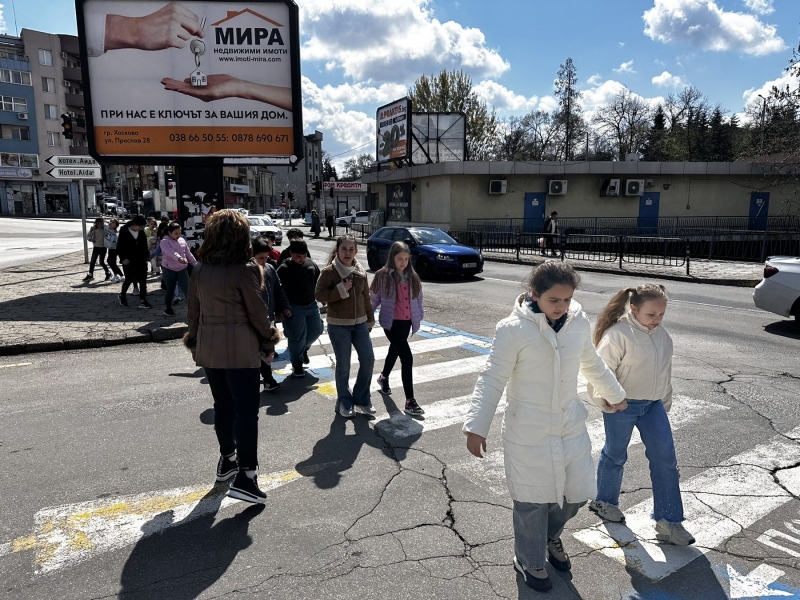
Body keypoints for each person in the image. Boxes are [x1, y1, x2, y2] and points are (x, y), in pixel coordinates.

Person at [462, 261, 627, 593]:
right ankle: (528, 559)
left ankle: (550, 536)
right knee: (532, 500)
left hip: (569, 426)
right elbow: (492, 377)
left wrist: (615, 394)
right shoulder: (512, 329)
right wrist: (476, 426)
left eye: (567, 299)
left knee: (577, 493)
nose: (561, 306)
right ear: (534, 294)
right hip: (528, 431)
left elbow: (592, 362)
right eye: (554, 300)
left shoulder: (577, 323)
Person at [588, 284, 695, 546]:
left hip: (652, 405)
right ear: (634, 308)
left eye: (661, 314)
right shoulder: (618, 334)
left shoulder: (662, 335)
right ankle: (605, 501)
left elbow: (665, 371)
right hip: (622, 404)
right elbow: (600, 371)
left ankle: (669, 521)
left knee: (665, 459)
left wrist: (664, 401)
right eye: (651, 314)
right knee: (615, 454)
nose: (657, 319)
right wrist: (609, 398)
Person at [185, 209, 279, 505]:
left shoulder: (200, 269)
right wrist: (268, 340)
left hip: (210, 347)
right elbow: (257, 313)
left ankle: (228, 459)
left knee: (223, 407)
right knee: (246, 412)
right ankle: (247, 477)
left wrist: (195, 341)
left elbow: (193, 312)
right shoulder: (246, 269)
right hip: (240, 348)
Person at [314, 234, 375, 418]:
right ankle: (345, 402)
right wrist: (341, 289)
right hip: (339, 325)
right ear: (337, 250)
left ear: (356, 251)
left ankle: (362, 398)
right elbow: (319, 295)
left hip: (360, 323)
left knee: (368, 360)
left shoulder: (360, 271)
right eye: (343, 249)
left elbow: (366, 298)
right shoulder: (329, 272)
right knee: (344, 366)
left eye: (351, 249)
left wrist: (370, 320)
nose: (347, 253)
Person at [370, 241, 425, 416]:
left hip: (406, 322)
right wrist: (368, 318)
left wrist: (419, 315)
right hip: (391, 323)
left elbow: (419, 298)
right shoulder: (383, 275)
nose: (403, 262)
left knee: (394, 350)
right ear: (392, 257)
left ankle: (383, 377)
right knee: (407, 357)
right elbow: (374, 298)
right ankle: (410, 401)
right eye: (400, 258)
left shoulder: (412, 276)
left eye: (406, 259)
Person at [276, 239, 324, 378]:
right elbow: (277, 291)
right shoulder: (284, 269)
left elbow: (319, 282)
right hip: (293, 307)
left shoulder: (311, 264)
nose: (301, 259)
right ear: (291, 253)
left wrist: (322, 297)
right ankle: (297, 364)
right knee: (297, 336)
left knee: (316, 330)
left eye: (304, 256)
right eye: (298, 256)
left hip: (311, 305)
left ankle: (303, 349)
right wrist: (281, 309)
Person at [252, 237, 291, 392]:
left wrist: (283, 308)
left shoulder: (269, 268)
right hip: (252, 319)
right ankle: (259, 378)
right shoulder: (246, 273)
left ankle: (268, 379)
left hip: (269, 316)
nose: (263, 261)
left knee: (268, 348)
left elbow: (278, 289)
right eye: (260, 258)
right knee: (257, 349)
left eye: (265, 257)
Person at [160, 222, 197, 317]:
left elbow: (188, 254)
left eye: (179, 233)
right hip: (168, 268)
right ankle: (168, 309)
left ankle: (193, 310)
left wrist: (196, 265)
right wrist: (179, 258)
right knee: (170, 290)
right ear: (169, 233)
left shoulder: (182, 240)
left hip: (182, 269)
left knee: (187, 290)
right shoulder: (164, 242)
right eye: (176, 233)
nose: (178, 235)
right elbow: (170, 252)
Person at [117, 215, 151, 309]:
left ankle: (143, 300)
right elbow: (119, 246)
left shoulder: (141, 233)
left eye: (143, 227)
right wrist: (123, 258)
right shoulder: (124, 231)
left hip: (141, 259)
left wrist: (147, 256)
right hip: (128, 260)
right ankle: (122, 295)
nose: (141, 229)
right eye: (140, 227)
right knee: (129, 278)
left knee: (143, 279)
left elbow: (144, 246)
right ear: (134, 224)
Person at [83, 217, 111, 281]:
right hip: (96, 247)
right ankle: (90, 275)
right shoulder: (95, 229)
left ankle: (108, 273)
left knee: (101, 262)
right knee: (92, 262)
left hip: (103, 248)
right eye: (98, 224)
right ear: (96, 224)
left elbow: (111, 232)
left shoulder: (105, 229)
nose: (100, 225)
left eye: (101, 223)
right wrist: (91, 239)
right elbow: (88, 236)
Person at [104, 218, 124, 283]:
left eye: (113, 222)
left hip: (114, 249)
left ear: (115, 225)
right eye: (110, 221)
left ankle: (117, 275)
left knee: (110, 261)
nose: (110, 223)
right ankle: (120, 275)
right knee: (112, 262)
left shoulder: (115, 234)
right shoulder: (106, 227)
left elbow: (116, 243)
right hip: (110, 248)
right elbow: (102, 222)